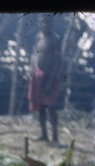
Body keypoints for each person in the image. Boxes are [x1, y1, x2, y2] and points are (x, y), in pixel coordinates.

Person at [29, 15, 60, 143]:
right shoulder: (38, 37)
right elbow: (34, 54)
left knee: (51, 107)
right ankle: (44, 135)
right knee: (40, 107)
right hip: (38, 75)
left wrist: (51, 79)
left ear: (52, 23)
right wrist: (33, 69)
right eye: (42, 22)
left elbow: (58, 61)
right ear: (39, 23)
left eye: (47, 22)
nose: (45, 25)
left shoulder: (55, 39)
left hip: (50, 76)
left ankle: (55, 138)